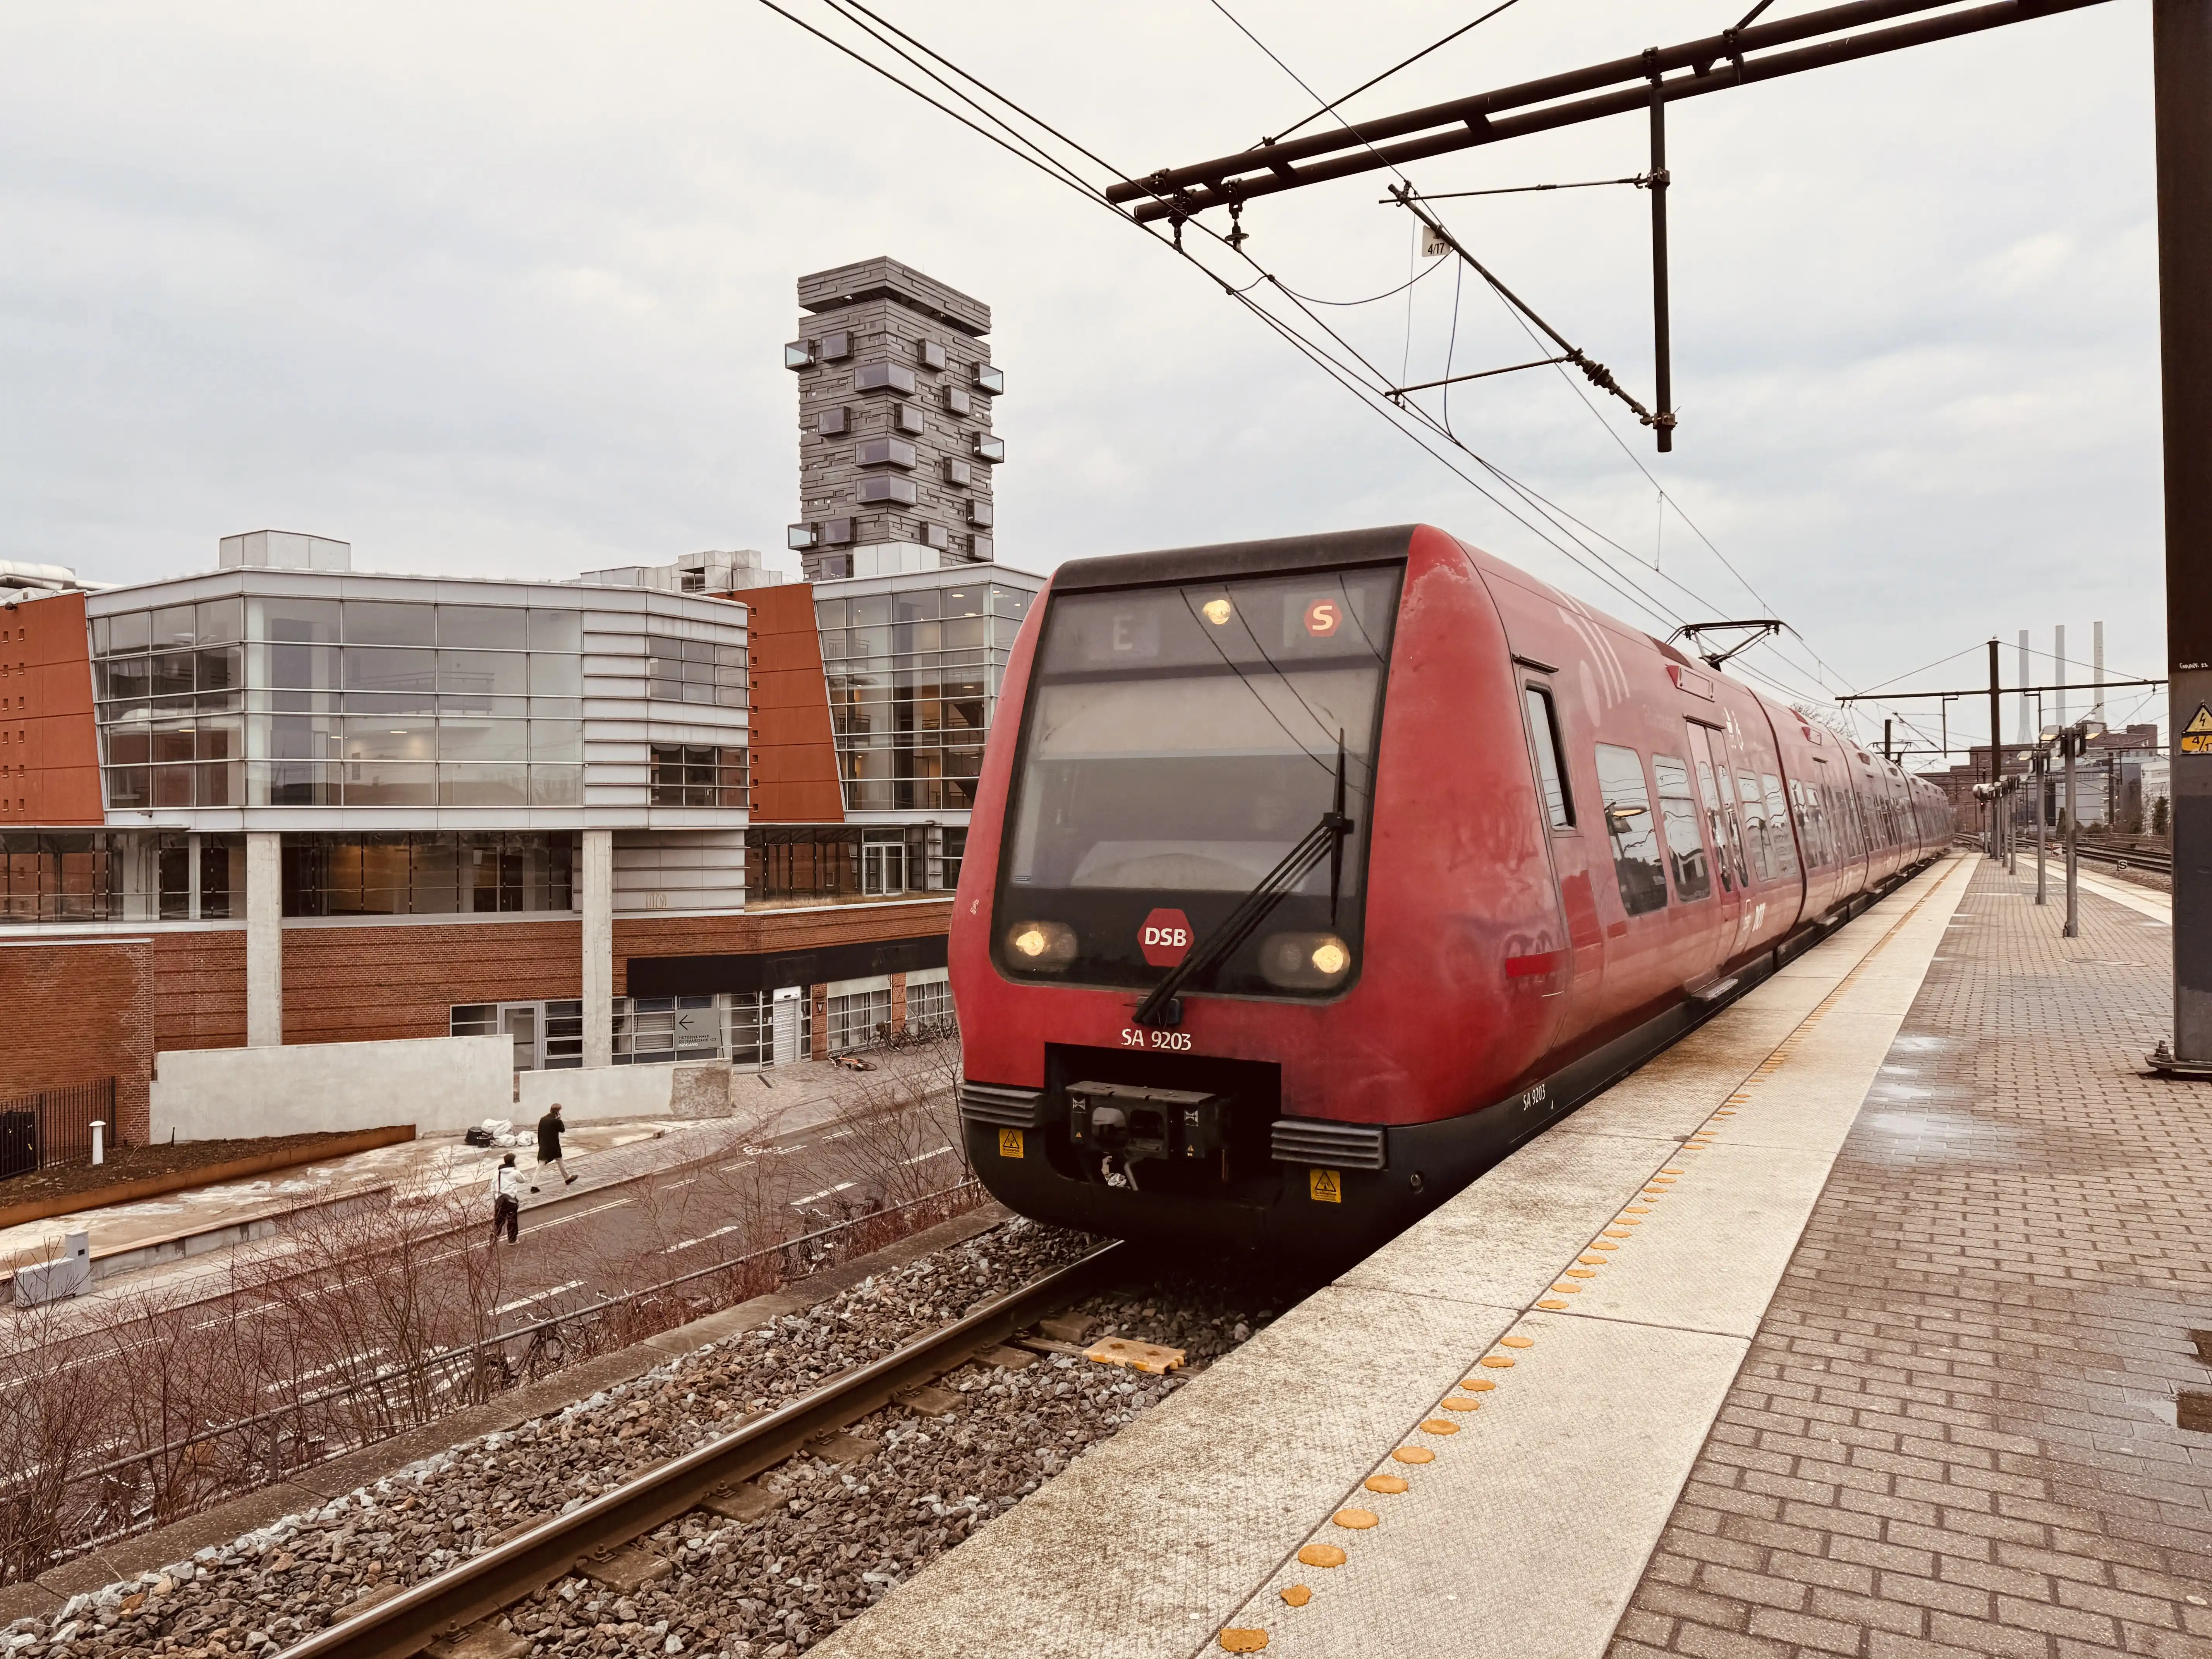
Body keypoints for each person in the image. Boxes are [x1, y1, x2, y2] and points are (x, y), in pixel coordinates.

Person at [532, 1102, 576, 1192]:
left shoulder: (543, 1119)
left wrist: (540, 1144)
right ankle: (567, 1178)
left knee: (542, 1165)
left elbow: (539, 1133)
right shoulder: (556, 1121)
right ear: (558, 1112)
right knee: (560, 1161)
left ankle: (534, 1185)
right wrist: (560, 1120)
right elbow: (562, 1130)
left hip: (544, 1146)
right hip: (554, 1146)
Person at [489, 1153, 520, 1245]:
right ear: (513, 1162)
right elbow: (523, 1180)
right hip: (511, 1200)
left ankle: (495, 1236)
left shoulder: (497, 1173)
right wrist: (516, 1169)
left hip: (500, 1200)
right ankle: (512, 1240)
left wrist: (496, 1198)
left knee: (499, 1221)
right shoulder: (515, 1173)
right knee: (512, 1221)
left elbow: (492, 1187)